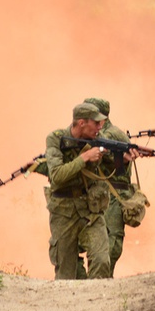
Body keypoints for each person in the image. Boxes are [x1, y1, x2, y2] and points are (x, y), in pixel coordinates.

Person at [44, 102, 114, 280]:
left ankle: (98, 302)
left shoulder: (98, 138)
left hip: (90, 210)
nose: (100, 127)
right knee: (66, 272)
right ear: (82, 123)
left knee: (102, 260)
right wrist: (85, 158)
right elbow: (57, 175)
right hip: (64, 212)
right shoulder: (55, 138)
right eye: (96, 123)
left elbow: (115, 162)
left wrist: (123, 157)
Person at [84, 97, 133, 276]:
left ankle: (103, 276)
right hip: (100, 193)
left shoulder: (110, 134)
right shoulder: (96, 135)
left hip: (114, 193)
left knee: (111, 239)